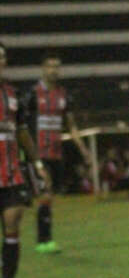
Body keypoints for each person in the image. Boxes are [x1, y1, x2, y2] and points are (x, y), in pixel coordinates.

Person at [22, 52, 90, 254]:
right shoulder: (32, 94)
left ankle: (44, 239)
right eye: (50, 66)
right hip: (38, 153)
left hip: (56, 153)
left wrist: (83, 149)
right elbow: (21, 125)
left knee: (49, 196)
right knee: (46, 193)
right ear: (43, 68)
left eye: (57, 66)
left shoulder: (63, 95)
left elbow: (71, 126)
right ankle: (44, 240)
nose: (54, 70)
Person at [0, 41, 50, 278]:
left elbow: (21, 131)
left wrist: (38, 164)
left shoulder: (13, 93)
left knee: (12, 222)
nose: (1, 61)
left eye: (3, 57)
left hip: (10, 173)